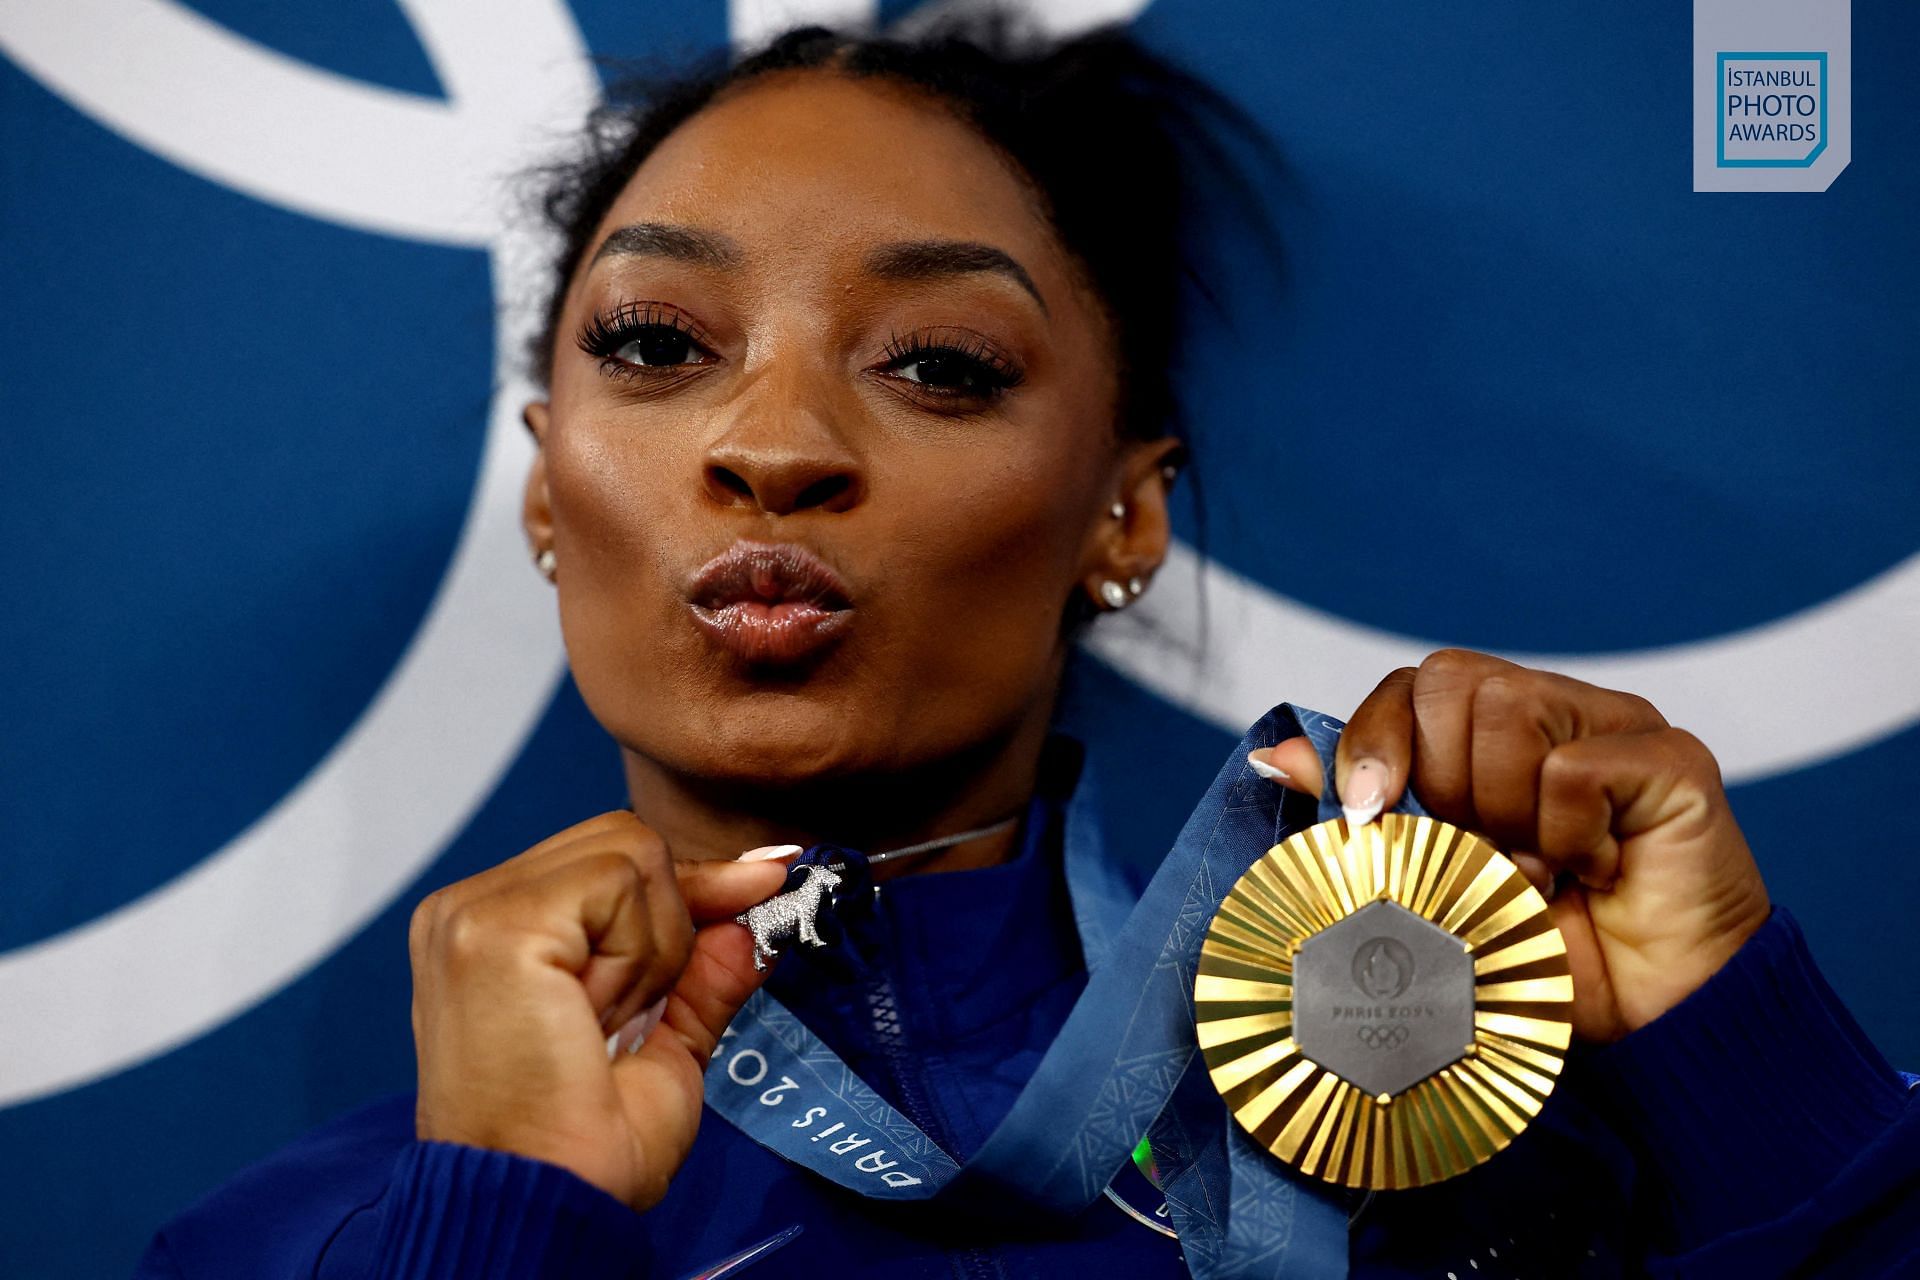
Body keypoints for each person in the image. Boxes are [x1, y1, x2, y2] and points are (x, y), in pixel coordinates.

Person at [134, 12, 1919, 1279]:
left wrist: (1749, 1069)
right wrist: (504, 1223)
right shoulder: (295, 1247)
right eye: (660, 344)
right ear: (546, 490)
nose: (775, 443)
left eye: (938, 365)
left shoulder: (1506, 1146)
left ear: (1119, 518)